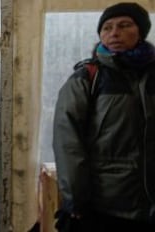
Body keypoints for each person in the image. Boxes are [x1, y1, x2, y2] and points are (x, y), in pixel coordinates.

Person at [53, 3, 155, 232]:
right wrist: (75, 199)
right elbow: (68, 142)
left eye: (124, 25)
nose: (114, 33)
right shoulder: (87, 78)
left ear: (141, 31)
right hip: (106, 205)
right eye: (107, 27)